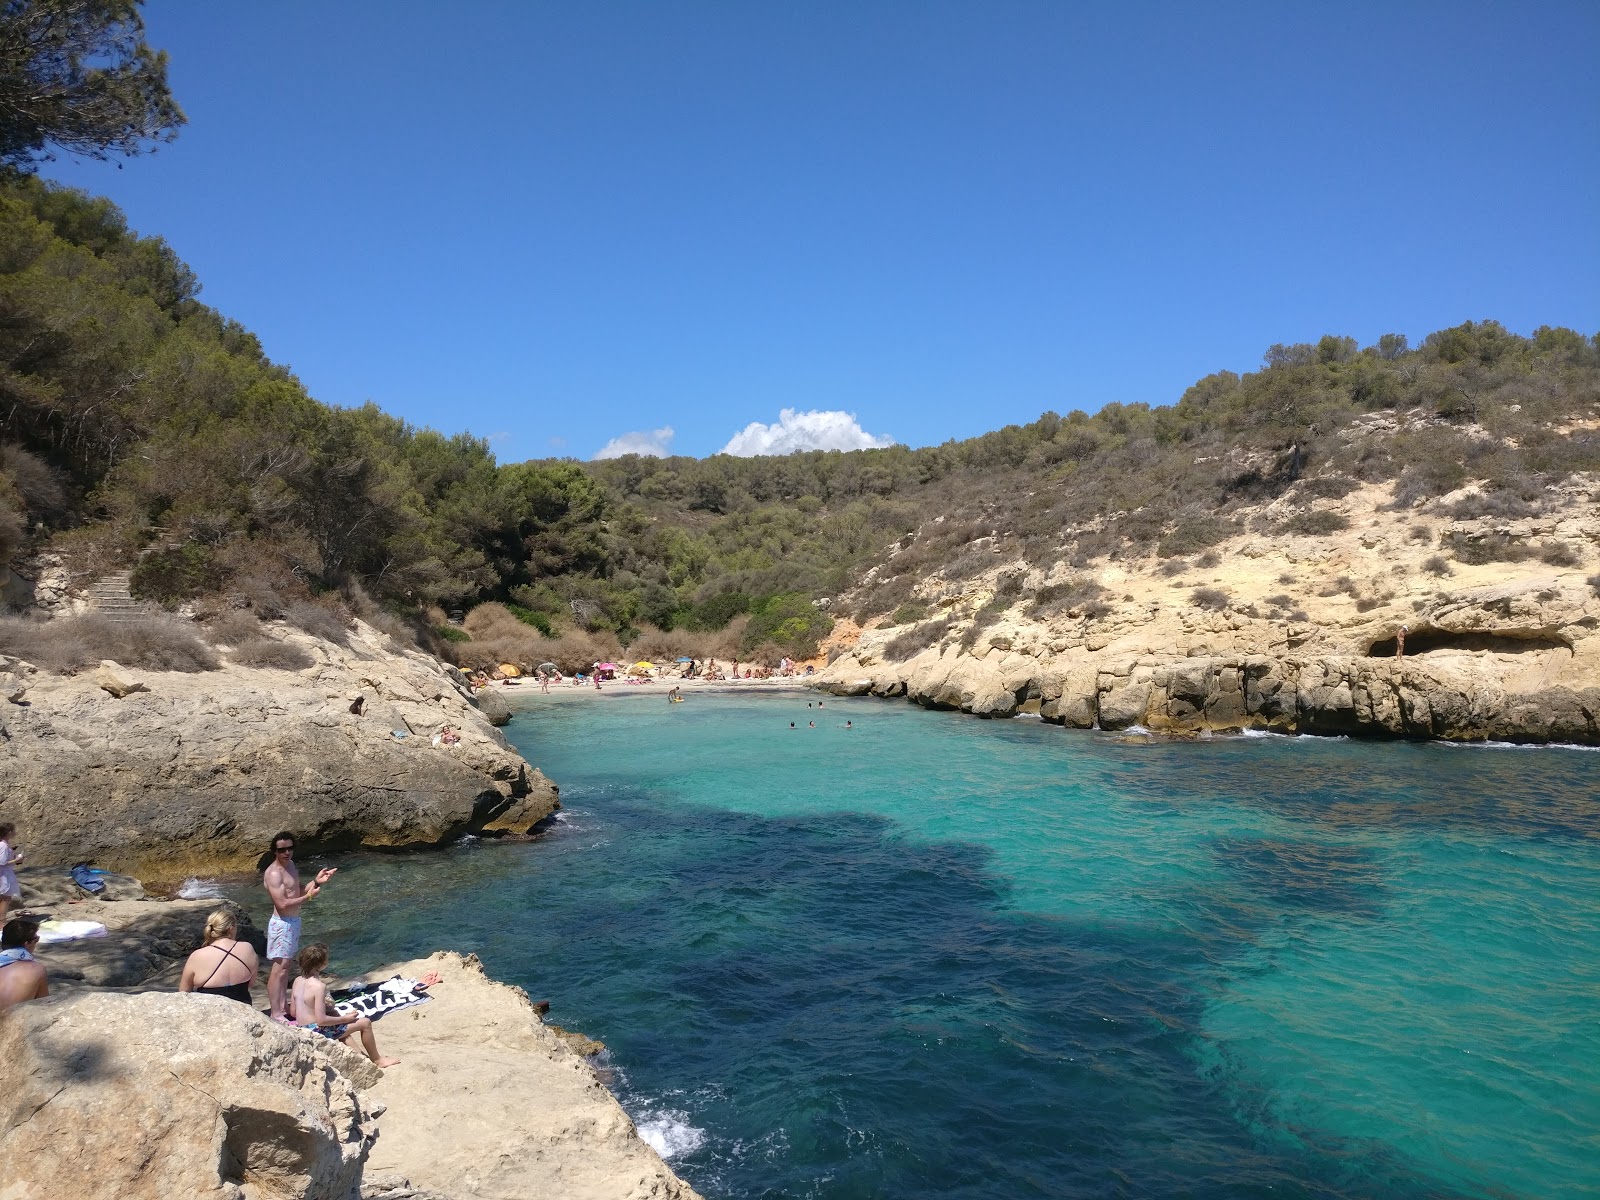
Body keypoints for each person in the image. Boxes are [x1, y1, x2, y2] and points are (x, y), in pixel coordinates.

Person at [263, 831, 336, 1023]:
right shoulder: (273, 874)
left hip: (293, 922)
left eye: (290, 848)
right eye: (282, 850)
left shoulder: (291, 866)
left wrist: (317, 882)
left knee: (286, 967)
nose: (286, 853)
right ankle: (275, 1012)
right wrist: (310, 897)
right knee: (279, 969)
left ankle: (282, 1006)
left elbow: (297, 890)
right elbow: (283, 904)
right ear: (274, 851)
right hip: (281, 924)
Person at [291, 943, 399, 1067]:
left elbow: (293, 1012)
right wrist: (345, 1018)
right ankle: (378, 1060)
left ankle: (360, 1057)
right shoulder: (318, 986)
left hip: (303, 1028)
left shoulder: (297, 981)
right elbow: (321, 1020)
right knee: (365, 1023)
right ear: (321, 965)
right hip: (316, 1031)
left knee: (340, 1026)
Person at [178, 909, 259, 1005]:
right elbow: (251, 983)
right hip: (243, 1007)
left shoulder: (197, 956)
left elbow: (183, 993)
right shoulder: (247, 948)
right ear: (231, 929)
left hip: (209, 1010)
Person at [0, 918, 47, 1010]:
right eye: (36, 939)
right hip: (14, 1021)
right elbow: (44, 1005)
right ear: (26, 944)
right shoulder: (37, 970)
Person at [0, 822, 22, 924]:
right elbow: (2, 862)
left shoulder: (5, 844)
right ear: (9, 832)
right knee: (5, 899)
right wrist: (16, 860)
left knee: (4, 898)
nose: (15, 833)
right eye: (13, 831)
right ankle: (2, 923)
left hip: (6, 873)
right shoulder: (3, 845)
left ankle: (1, 921)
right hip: (4, 875)